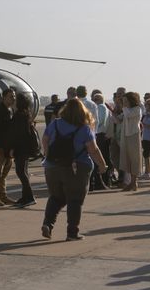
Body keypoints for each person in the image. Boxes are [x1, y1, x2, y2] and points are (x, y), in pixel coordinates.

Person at [40, 96, 108, 240]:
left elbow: (45, 139)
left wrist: (48, 154)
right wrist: (102, 165)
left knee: (56, 197)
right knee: (74, 200)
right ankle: (72, 232)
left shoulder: (55, 124)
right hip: (76, 167)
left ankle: (48, 223)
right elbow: (93, 150)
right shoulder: (84, 128)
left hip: (52, 166)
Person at [114, 91, 145, 190]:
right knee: (126, 158)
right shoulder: (127, 109)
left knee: (134, 159)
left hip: (133, 135)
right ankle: (130, 183)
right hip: (125, 136)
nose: (124, 103)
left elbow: (127, 115)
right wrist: (113, 113)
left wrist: (123, 106)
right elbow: (118, 120)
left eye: (126, 101)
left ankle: (134, 182)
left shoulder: (137, 109)